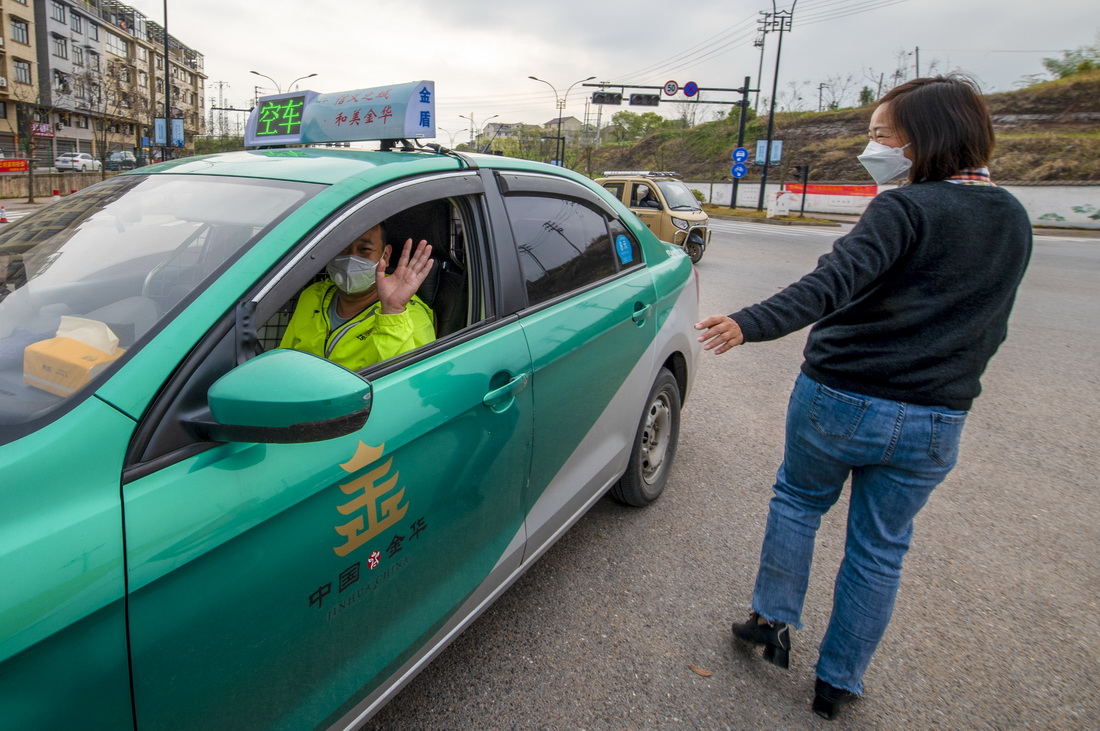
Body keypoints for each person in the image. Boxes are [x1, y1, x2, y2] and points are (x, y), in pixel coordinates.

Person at [694, 75, 1032, 721]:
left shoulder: (905, 208)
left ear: (923, 140)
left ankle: (771, 619)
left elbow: (831, 284)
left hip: (843, 399)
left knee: (798, 501)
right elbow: (995, 320)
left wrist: (749, 323)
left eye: (881, 135)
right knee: (881, 548)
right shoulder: (1012, 215)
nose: (870, 146)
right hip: (939, 416)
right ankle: (838, 681)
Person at [279, 223, 435, 371]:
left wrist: (392, 312)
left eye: (364, 249)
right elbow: (283, 359)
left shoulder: (409, 316)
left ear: (385, 256)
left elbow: (408, 382)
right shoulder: (313, 295)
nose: (351, 257)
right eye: (342, 248)